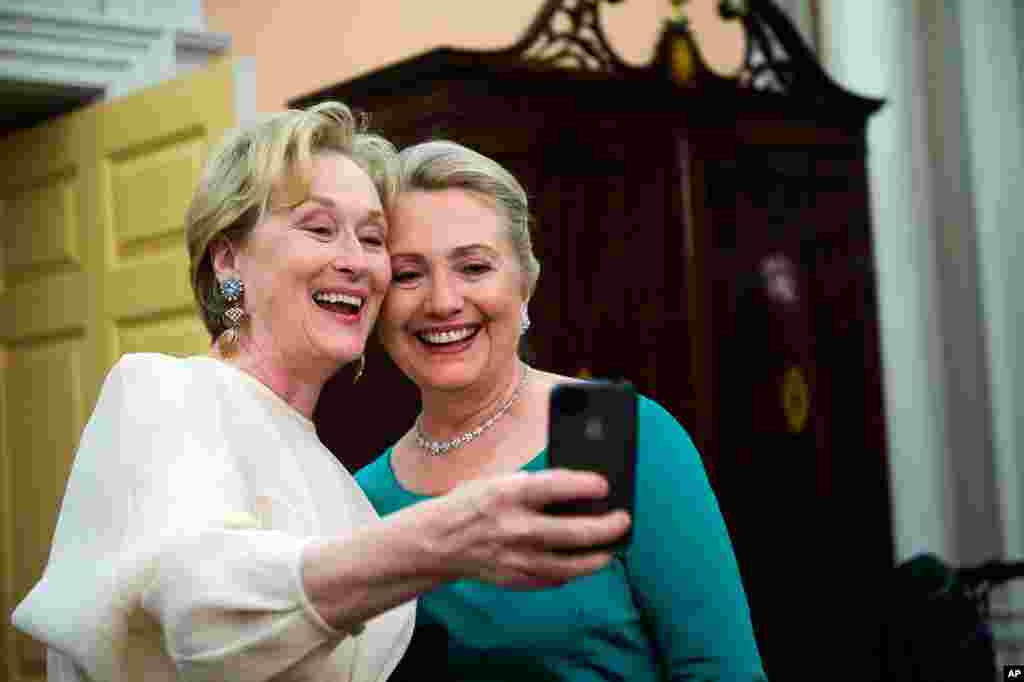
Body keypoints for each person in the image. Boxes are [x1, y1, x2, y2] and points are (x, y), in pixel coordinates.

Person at [10, 104, 631, 682]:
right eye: (320, 228)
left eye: (371, 237)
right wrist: (446, 538)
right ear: (229, 260)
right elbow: (201, 612)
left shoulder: (342, 483)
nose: (357, 261)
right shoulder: (161, 392)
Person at [357, 140, 769, 681]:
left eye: (474, 267)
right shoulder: (363, 500)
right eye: (408, 274)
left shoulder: (610, 432)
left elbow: (721, 672)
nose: (442, 301)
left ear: (525, 284)